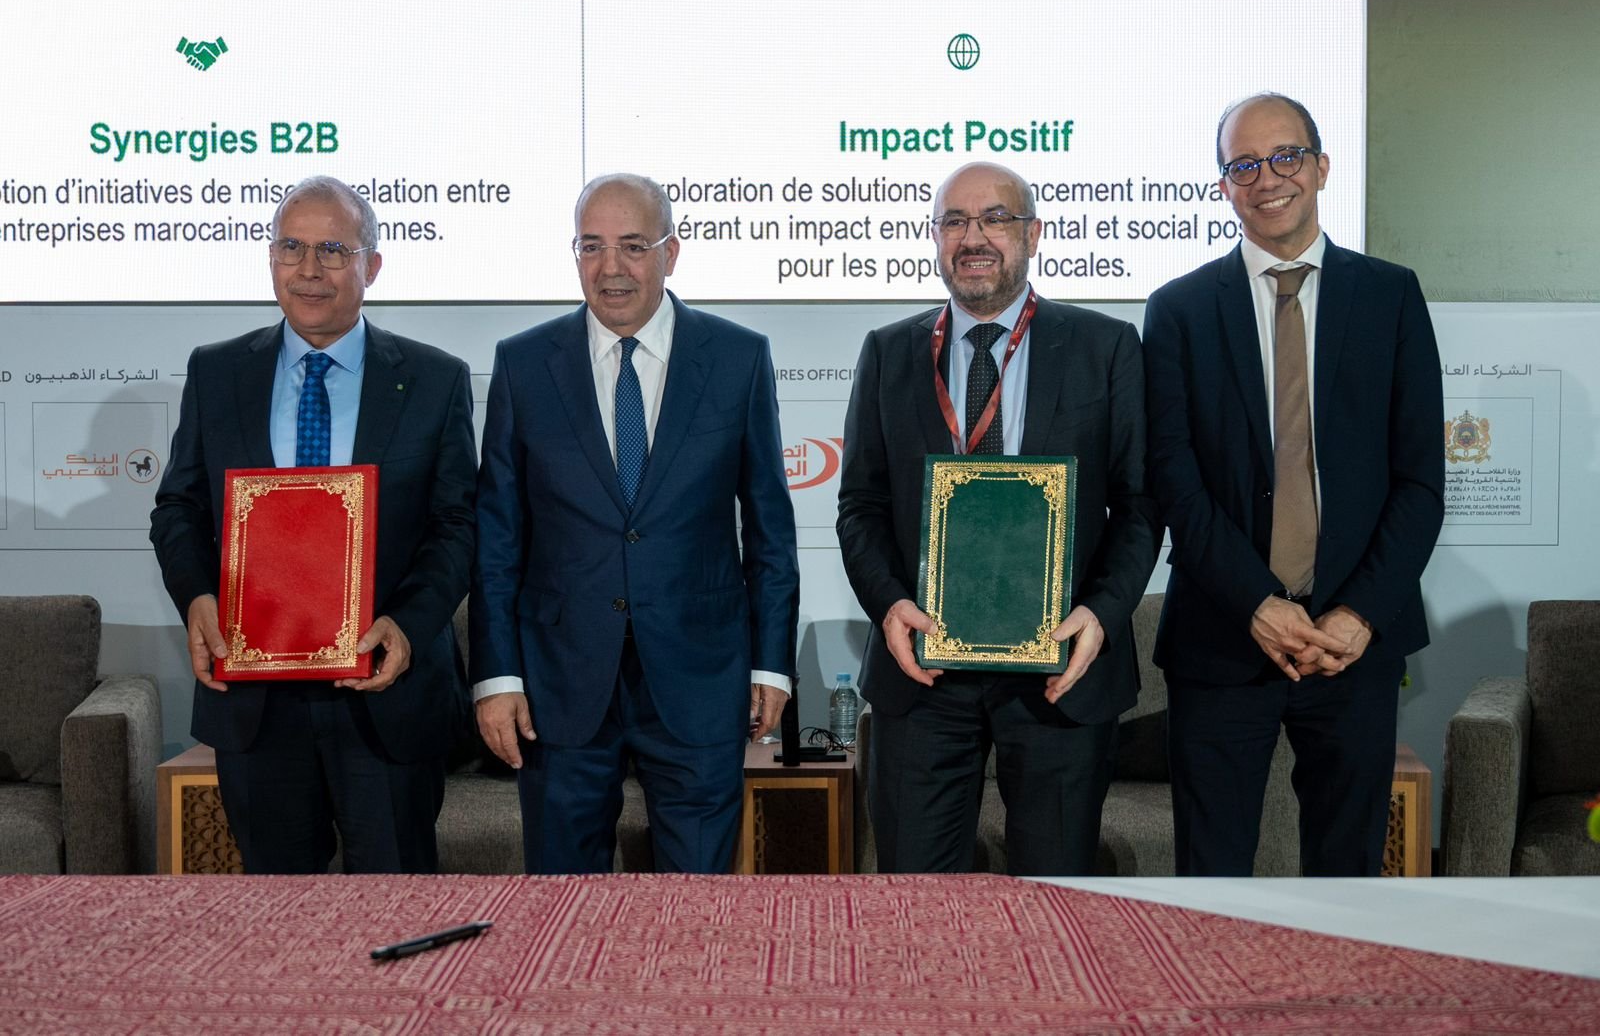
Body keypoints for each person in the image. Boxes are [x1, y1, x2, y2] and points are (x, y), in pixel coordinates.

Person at [1142, 93, 1444, 875]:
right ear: (1223, 186)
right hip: (1222, 638)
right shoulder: (1177, 311)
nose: (1267, 178)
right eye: (1243, 165)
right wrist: (1258, 603)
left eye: (1286, 156)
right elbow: (1175, 483)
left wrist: (1359, 615)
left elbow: (1419, 482)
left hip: (1353, 647)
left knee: (1347, 879)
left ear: (1321, 167)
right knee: (1211, 883)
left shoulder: (1391, 296)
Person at [836, 161, 1160, 875]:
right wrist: (889, 603)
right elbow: (860, 505)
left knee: (1053, 899)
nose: (973, 237)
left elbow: (1140, 504)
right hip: (924, 673)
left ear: (1033, 234)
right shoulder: (888, 351)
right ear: (935, 238)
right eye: (954, 221)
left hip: (1058, 672)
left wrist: (1103, 613)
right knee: (916, 902)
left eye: (995, 219)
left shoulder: (1105, 346)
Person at [471, 173, 799, 874]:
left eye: (632, 246)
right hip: (559, 684)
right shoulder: (523, 364)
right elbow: (497, 538)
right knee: (563, 907)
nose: (610, 267)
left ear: (670, 252)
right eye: (591, 246)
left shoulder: (738, 358)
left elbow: (770, 527)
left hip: (700, 675)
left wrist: (770, 661)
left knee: (698, 904)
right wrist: (497, 677)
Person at [149, 175, 477, 873]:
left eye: (333, 250)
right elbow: (178, 508)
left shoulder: (434, 379)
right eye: (290, 248)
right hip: (256, 702)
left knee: (396, 910)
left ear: (372, 266)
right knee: (276, 917)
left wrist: (408, 625)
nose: (309, 269)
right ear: (270, 259)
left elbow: (456, 525)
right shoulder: (216, 373)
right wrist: (198, 597)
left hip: (383, 694)